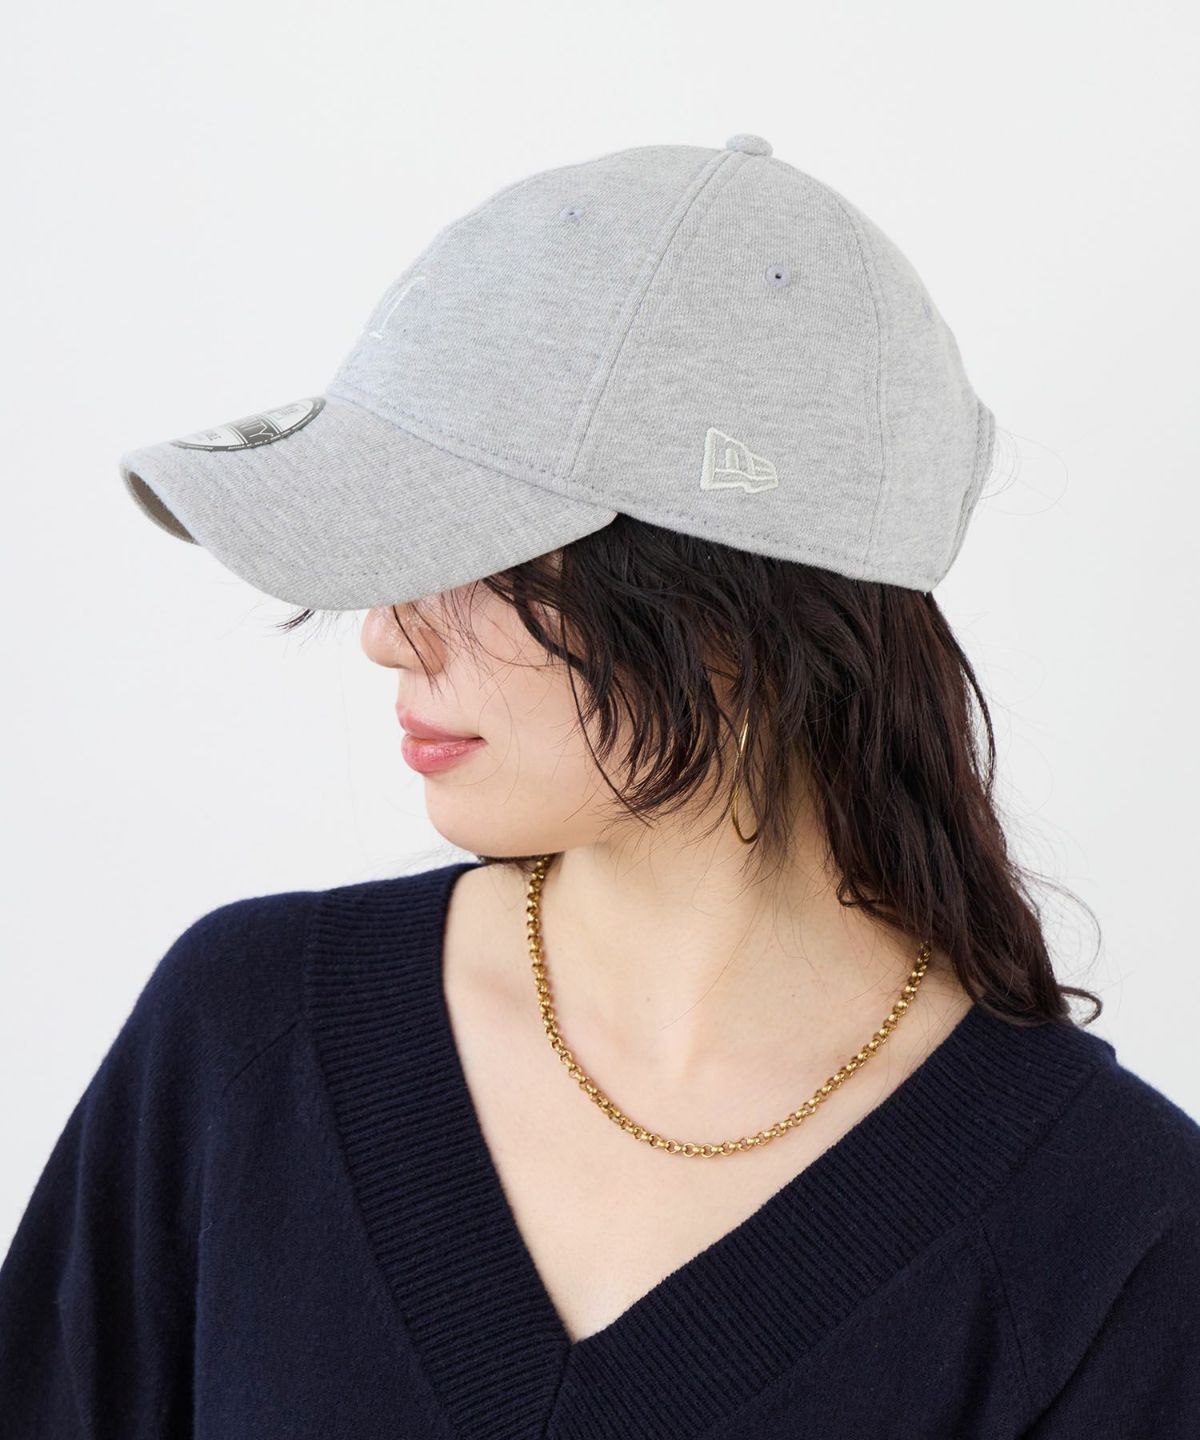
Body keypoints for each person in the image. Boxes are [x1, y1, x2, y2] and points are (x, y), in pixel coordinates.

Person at [2, 132, 1197, 1439]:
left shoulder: (1115, 1238)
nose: (385, 635)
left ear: (729, 599)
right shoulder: (245, 1041)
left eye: (471, 549)